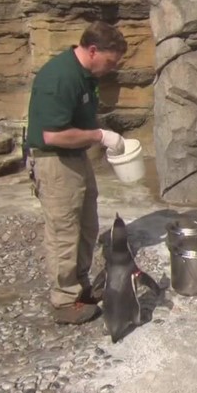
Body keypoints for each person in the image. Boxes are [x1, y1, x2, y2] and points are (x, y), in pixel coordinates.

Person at [25, 21, 129, 325]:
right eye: (110, 61)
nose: (112, 68)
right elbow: (51, 136)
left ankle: (80, 285)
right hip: (55, 161)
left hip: (75, 158)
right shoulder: (59, 77)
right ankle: (64, 299)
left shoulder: (86, 75)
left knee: (86, 223)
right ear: (93, 50)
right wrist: (100, 137)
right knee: (63, 228)